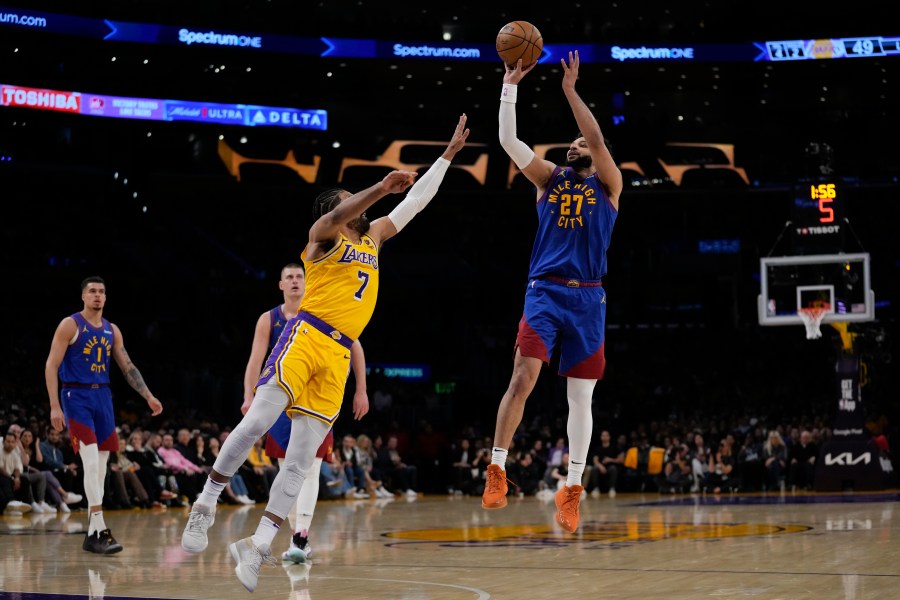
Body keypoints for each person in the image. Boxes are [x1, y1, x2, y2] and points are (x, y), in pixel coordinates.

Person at [181, 114, 470, 593]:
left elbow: (416, 203)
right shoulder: (322, 238)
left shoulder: (374, 236)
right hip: (307, 336)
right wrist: (379, 186)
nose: (352, 205)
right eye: (346, 200)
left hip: (338, 356)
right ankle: (205, 505)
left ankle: (259, 546)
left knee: (301, 462)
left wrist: (446, 157)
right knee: (255, 424)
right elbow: (336, 215)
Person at [481, 50, 623, 534]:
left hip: (588, 297)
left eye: (580, 141)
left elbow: (599, 138)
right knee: (522, 378)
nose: (575, 143)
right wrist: (510, 85)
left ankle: (573, 489)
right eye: (571, 141)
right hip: (543, 291)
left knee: (580, 399)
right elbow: (506, 139)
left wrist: (568, 90)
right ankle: (496, 469)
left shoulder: (609, 184)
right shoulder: (548, 178)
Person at [243, 262, 370, 564]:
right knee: (288, 470)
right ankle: (295, 536)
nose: (296, 281)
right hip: (281, 404)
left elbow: (355, 347)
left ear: (308, 281)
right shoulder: (268, 319)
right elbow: (255, 360)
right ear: (281, 285)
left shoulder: (324, 309)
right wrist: (249, 395)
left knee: (310, 467)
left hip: (318, 400)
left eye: (300, 276)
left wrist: (361, 389)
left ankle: (302, 534)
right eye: (290, 277)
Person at [45, 276, 163, 554]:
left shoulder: (112, 330)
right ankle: (100, 529)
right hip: (76, 397)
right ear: (83, 297)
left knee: (101, 466)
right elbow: (51, 365)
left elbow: (128, 367)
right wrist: (54, 405)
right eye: (92, 292)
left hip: (103, 397)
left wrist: (148, 396)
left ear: (106, 298)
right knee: (91, 463)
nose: (97, 296)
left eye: (101, 292)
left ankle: (92, 533)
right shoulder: (70, 324)